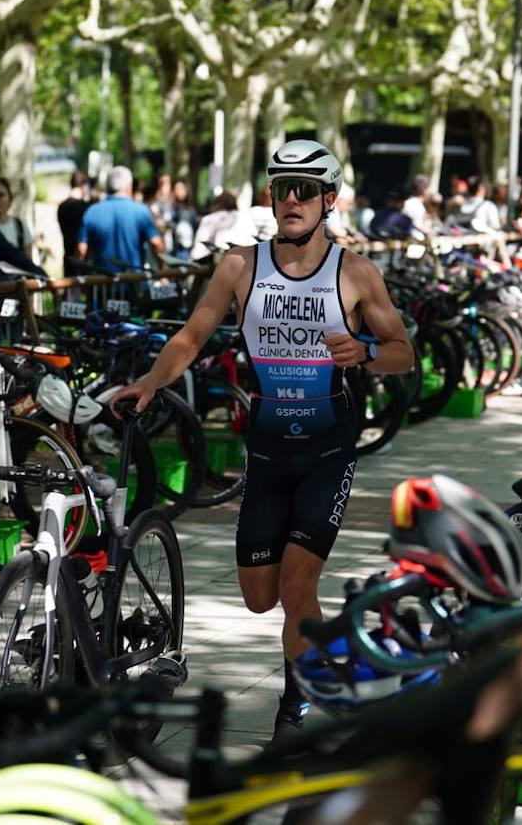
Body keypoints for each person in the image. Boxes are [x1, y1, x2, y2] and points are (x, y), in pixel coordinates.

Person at [110, 139, 412, 740]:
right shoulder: (240, 267)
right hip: (269, 453)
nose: (292, 200)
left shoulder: (354, 272)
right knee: (257, 597)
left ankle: (295, 705)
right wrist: (148, 382)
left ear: (329, 199)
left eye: (305, 190)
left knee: (299, 586)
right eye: (281, 189)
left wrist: (368, 351)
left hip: (328, 450)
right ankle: (328, 650)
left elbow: (404, 354)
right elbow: (191, 339)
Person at [77, 166, 165, 274]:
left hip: (101, 283)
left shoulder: (92, 211)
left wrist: (81, 275)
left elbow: (81, 249)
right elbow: (155, 243)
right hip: (133, 281)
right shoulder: (140, 211)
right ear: (129, 186)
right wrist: (163, 269)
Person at [191, 191, 257, 260]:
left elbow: (198, 250)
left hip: (222, 261)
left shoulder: (210, 219)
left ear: (216, 204)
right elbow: (253, 239)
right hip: (248, 260)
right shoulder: (246, 217)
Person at [57, 171, 91, 276]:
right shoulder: (85, 207)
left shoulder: (62, 206)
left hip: (68, 259)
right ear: (84, 185)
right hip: (83, 261)